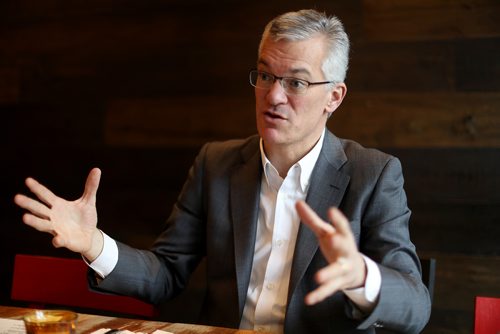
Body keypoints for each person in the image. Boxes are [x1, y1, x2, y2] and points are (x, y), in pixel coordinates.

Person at [14, 9, 431, 334]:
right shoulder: (217, 163)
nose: (273, 95)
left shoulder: (372, 174)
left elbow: (415, 306)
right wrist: (92, 243)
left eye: (297, 83)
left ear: (334, 97)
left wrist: (361, 275)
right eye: (265, 75)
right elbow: (166, 274)